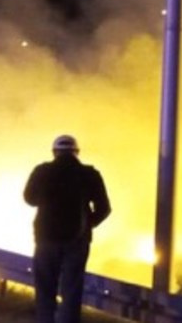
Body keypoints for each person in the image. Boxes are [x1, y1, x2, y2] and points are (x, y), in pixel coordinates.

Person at [24, 135, 111, 323]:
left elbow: (29, 198)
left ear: (54, 152)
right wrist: (89, 223)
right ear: (76, 152)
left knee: (45, 290)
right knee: (71, 291)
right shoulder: (89, 174)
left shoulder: (42, 171)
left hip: (46, 239)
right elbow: (104, 208)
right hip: (77, 241)